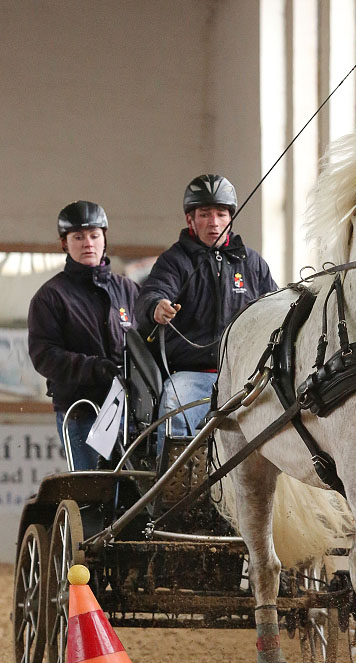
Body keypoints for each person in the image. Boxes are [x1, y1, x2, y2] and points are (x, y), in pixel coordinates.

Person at [135, 174, 277, 454]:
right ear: (191, 219)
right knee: (175, 406)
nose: (214, 222)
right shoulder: (174, 261)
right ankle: (174, 490)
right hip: (193, 374)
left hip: (246, 377)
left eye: (221, 213)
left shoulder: (253, 263)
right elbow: (150, 295)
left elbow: (275, 308)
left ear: (230, 218)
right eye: (205, 214)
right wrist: (157, 307)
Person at [28, 201, 138, 470]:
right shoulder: (50, 296)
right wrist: (94, 368)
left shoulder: (129, 290)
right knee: (93, 496)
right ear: (64, 243)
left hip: (131, 413)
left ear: (104, 238)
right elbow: (44, 356)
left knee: (136, 495)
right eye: (78, 237)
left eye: (94, 235)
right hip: (81, 412)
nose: (88, 243)